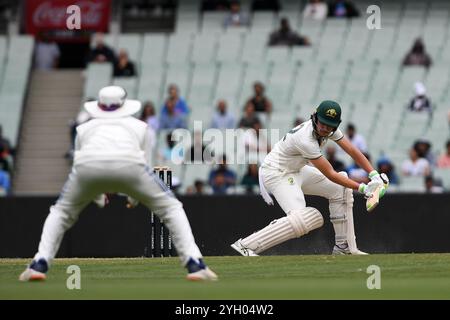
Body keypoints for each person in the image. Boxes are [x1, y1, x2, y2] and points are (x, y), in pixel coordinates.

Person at [19, 86, 217, 282]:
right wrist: (134, 198)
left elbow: (81, 167)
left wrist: (97, 197)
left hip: (88, 169)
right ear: (124, 105)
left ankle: (40, 263)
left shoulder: (83, 129)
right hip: (131, 166)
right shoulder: (141, 127)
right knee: (172, 207)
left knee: (60, 212)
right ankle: (194, 264)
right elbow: (146, 167)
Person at [231, 100, 389, 256]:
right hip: (276, 173)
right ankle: (246, 245)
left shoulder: (329, 129)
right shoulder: (305, 139)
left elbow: (353, 151)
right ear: (314, 117)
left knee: (340, 189)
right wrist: (363, 188)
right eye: (323, 123)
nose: (325, 129)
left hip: (296, 169)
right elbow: (330, 174)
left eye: (330, 126)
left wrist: (373, 175)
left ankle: (344, 248)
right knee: (303, 218)